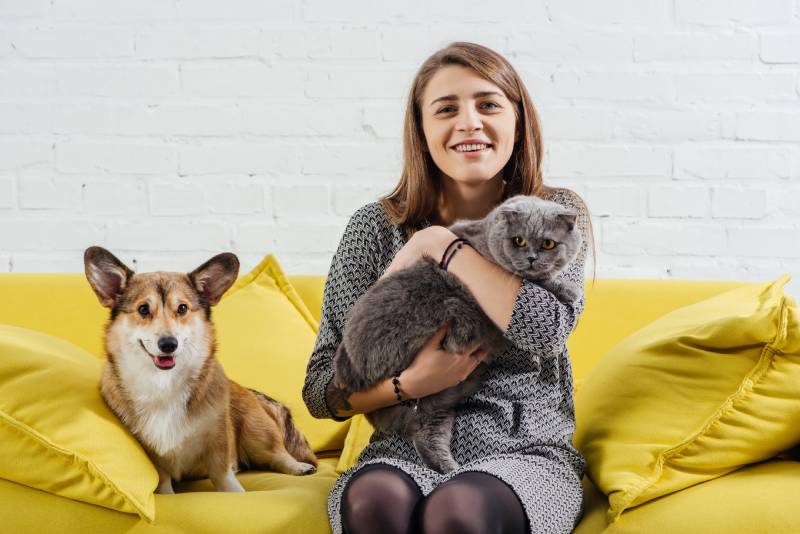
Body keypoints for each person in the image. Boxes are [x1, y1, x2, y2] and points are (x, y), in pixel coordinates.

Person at [302, 41, 592, 534]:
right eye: (446, 110)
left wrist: (443, 245)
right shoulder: (375, 228)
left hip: (522, 452)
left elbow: (546, 331)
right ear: (421, 132)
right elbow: (320, 392)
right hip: (404, 448)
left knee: (457, 511)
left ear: (518, 122)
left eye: (488, 105)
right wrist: (410, 384)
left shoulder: (552, 216)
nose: (469, 123)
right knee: (374, 502)